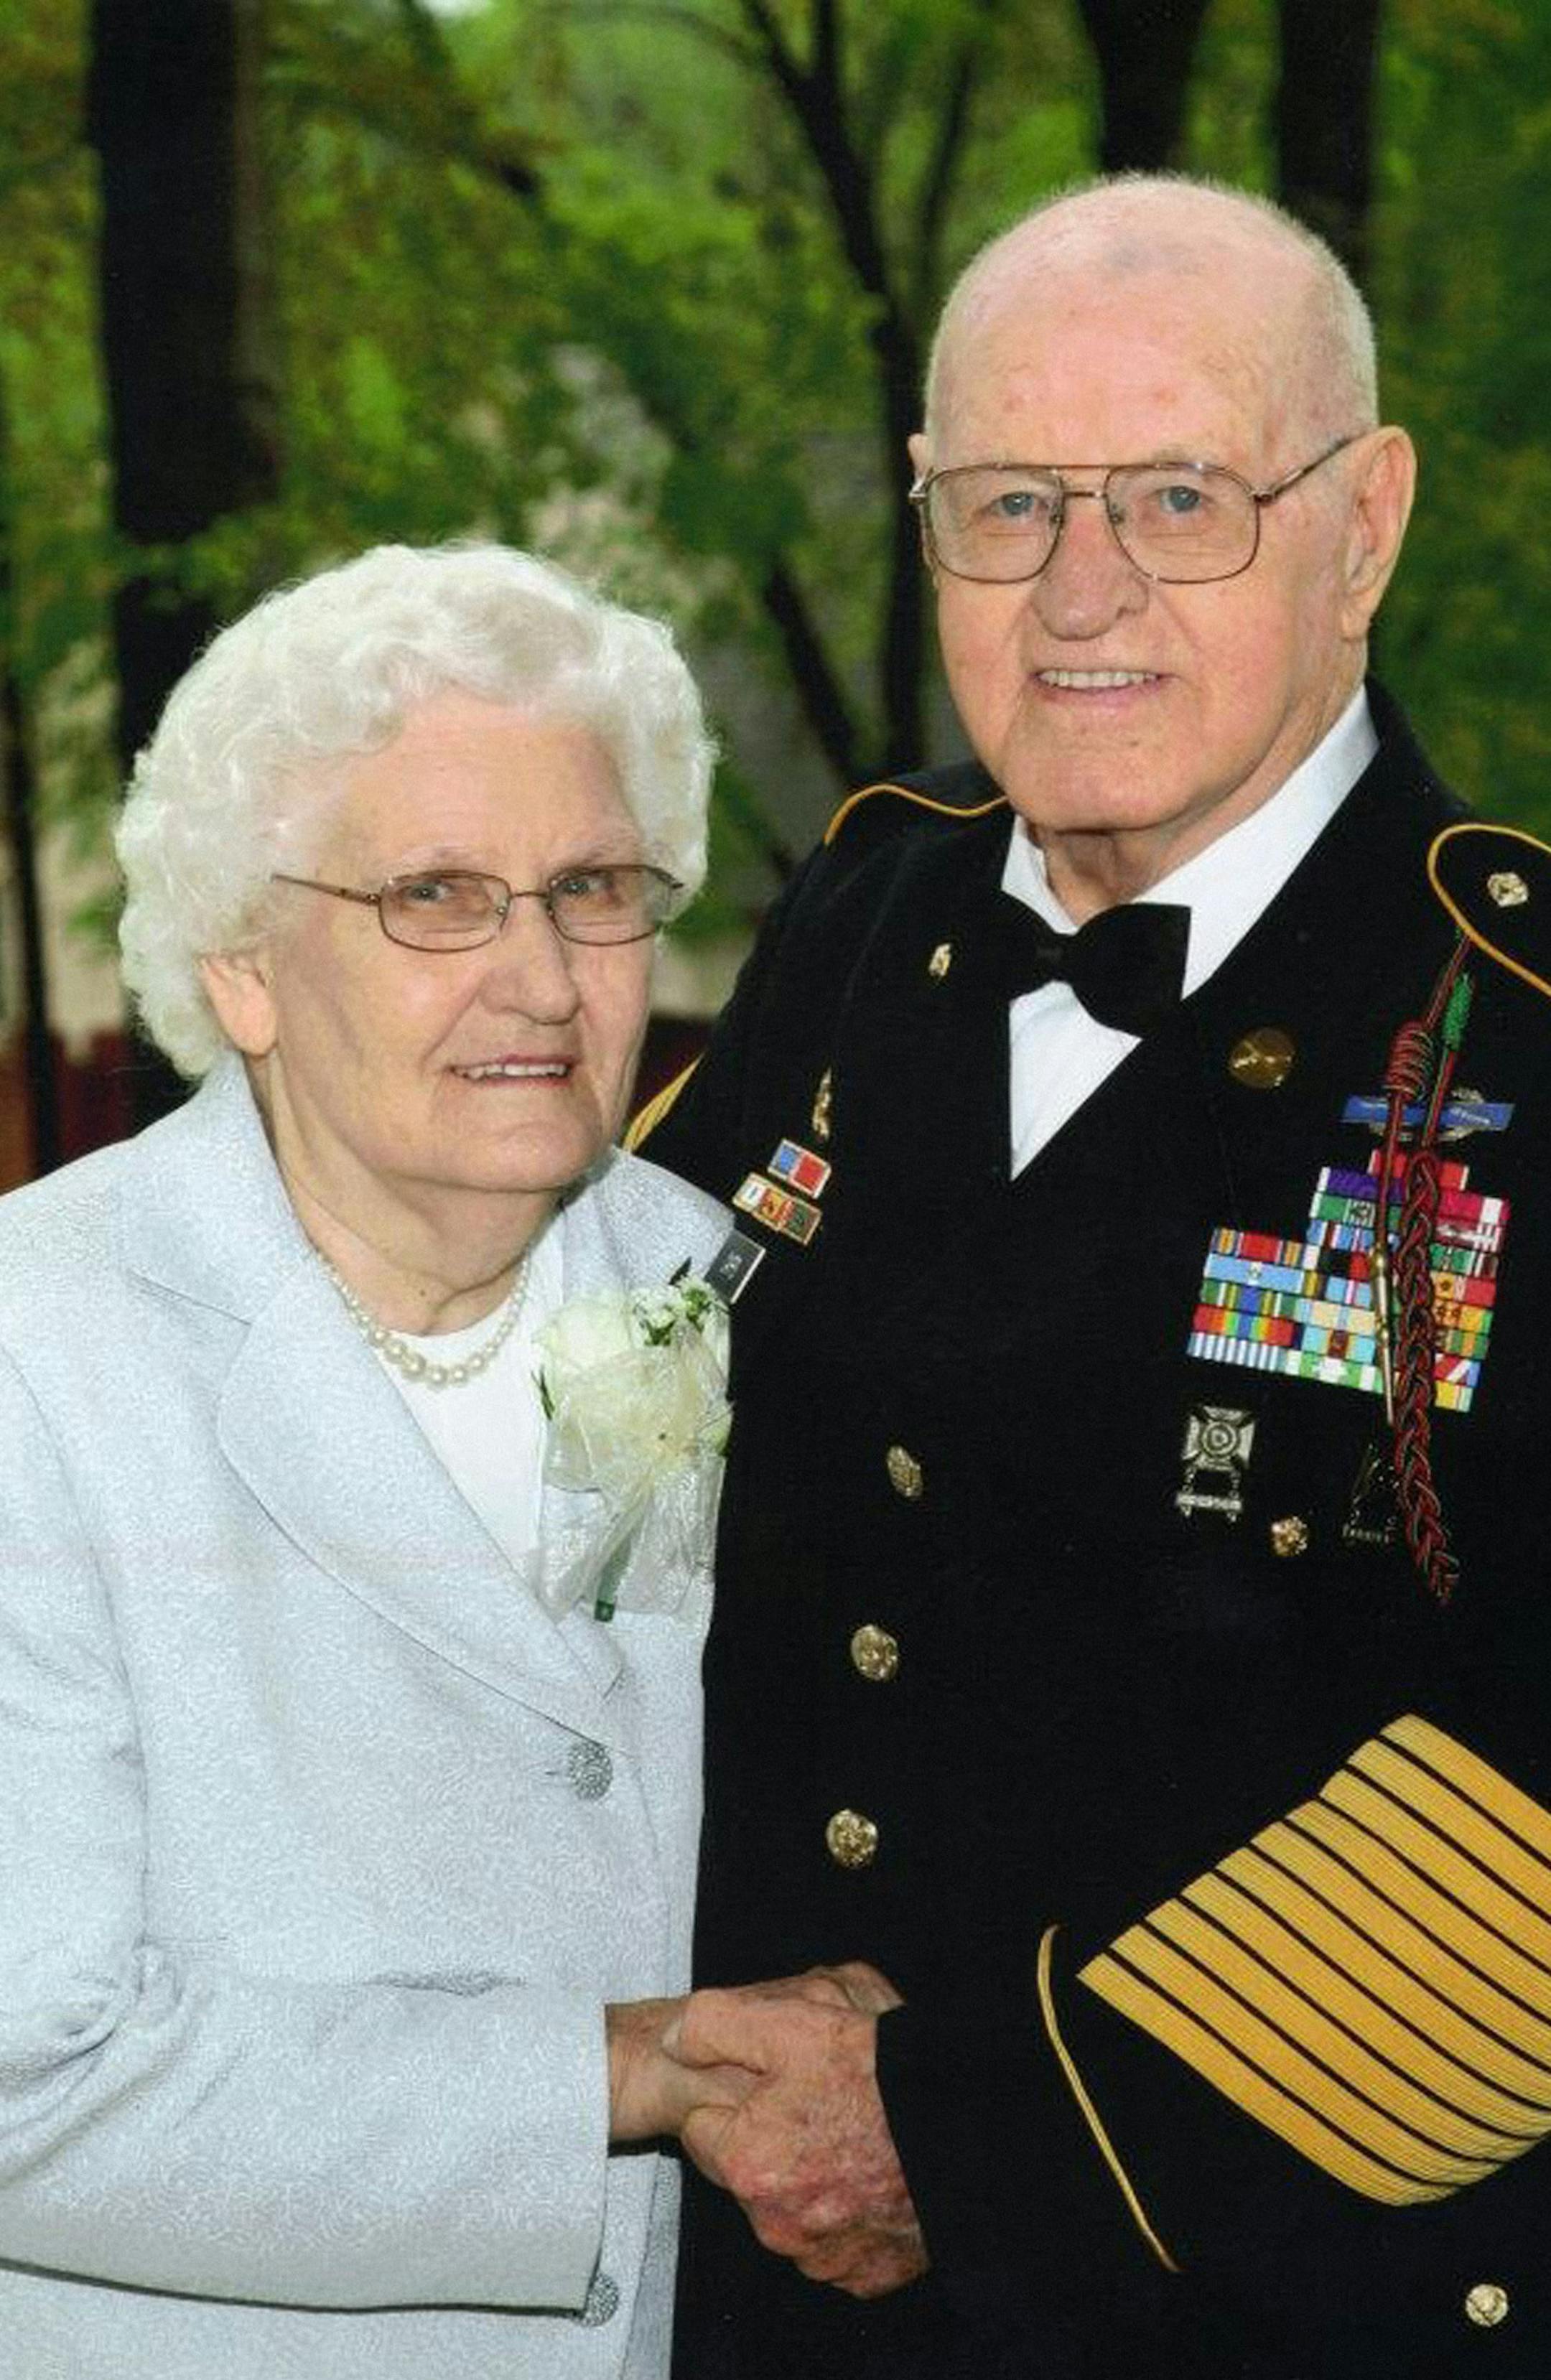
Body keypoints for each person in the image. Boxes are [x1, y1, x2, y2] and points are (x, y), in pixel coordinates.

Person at [638, 175, 1551, 2377]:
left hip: (1266, 2292)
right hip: (766, 2298)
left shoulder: (1517, 1030)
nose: (1083, 590)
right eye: (1010, 503)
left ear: (1368, 522)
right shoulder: (863, 927)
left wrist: (974, 2131)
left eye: (1178, 495)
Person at [0, 541, 748, 2379]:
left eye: (591, 887)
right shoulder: (39, 1351)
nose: (541, 974)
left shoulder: (715, 1280)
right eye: (435, 896)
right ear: (242, 968)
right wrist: (627, 2070)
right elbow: (25, 2073)